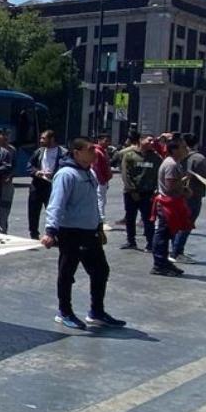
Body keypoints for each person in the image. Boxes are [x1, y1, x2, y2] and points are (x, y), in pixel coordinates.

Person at [42, 137, 125, 330]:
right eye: (90, 149)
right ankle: (64, 312)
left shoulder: (89, 173)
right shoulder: (66, 174)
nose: (95, 153)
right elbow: (56, 204)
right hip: (71, 232)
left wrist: (98, 225)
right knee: (67, 273)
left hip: (90, 233)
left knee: (100, 271)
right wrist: (50, 231)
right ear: (77, 152)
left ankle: (96, 312)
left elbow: (93, 203)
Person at [150, 138, 190, 276]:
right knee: (162, 233)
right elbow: (170, 186)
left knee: (167, 233)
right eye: (183, 147)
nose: (186, 150)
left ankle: (164, 261)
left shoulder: (175, 163)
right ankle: (159, 264)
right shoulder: (171, 164)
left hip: (171, 202)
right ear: (174, 149)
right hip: (167, 203)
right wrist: (184, 190)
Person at [171, 133, 206, 264]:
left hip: (178, 193)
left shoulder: (178, 157)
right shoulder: (199, 158)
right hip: (193, 195)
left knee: (178, 222)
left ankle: (175, 249)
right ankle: (177, 251)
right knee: (187, 223)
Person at [117, 132, 159, 250]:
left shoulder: (156, 158)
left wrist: (157, 190)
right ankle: (131, 241)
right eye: (149, 140)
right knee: (130, 218)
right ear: (141, 140)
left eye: (153, 141)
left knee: (148, 219)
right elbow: (126, 174)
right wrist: (132, 190)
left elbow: (159, 175)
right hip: (131, 193)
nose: (152, 143)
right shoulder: (130, 155)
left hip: (148, 193)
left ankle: (150, 243)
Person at [27, 130, 64, 239]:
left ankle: (54, 235)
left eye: (44, 138)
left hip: (52, 186)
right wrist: (37, 172)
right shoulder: (39, 151)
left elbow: (65, 167)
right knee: (33, 211)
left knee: (53, 211)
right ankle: (33, 234)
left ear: (52, 139)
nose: (41, 140)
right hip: (37, 185)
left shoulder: (62, 152)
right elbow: (30, 165)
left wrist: (54, 175)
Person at [0, 133, 18, 234]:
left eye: (6, 139)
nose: (5, 141)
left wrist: (9, 177)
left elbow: (14, 166)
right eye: (3, 140)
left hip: (7, 183)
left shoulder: (12, 150)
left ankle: (3, 228)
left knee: (5, 207)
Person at [92, 134, 114, 223]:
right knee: (100, 200)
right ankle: (101, 219)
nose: (108, 143)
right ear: (99, 140)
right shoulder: (97, 151)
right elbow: (95, 167)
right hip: (100, 180)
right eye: (106, 141)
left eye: (108, 141)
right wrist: (101, 180)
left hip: (104, 180)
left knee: (102, 200)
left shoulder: (103, 151)